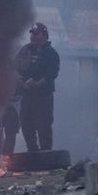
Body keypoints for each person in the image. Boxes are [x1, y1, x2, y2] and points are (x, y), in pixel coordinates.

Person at [16, 22, 60, 152]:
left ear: (44, 35)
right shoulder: (25, 50)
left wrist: (37, 84)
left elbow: (52, 73)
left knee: (43, 126)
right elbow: (16, 67)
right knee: (26, 124)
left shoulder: (51, 53)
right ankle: (33, 151)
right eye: (32, 34)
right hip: (27, 95)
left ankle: (46, 153)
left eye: (37, 34)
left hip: (43, 96)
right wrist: (22, 82)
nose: (33, 36)